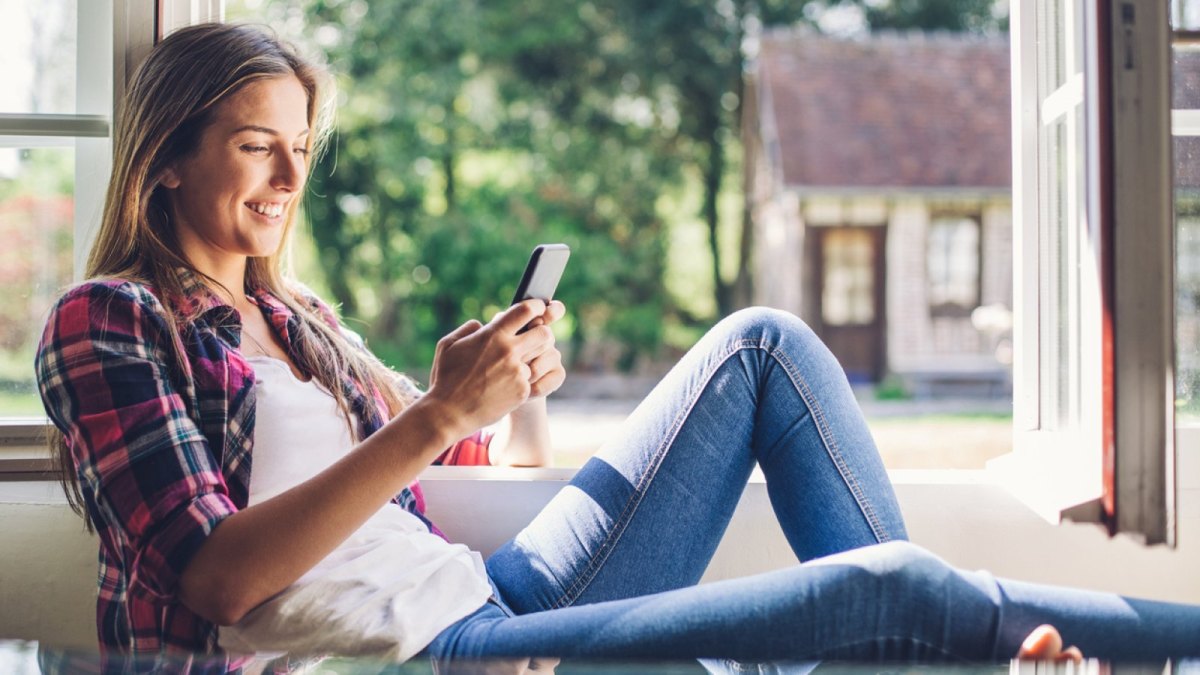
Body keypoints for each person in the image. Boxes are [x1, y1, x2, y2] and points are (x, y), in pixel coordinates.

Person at [34, 21, 1200, 673]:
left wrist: (510, 390)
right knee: (881, 591)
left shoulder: (302, 325)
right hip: (432, 655)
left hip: (490, 599)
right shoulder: (111, 322)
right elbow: (218, 576)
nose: (292, 179)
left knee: (762, 345)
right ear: (170, 155)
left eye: (300, 147)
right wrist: (436, 417)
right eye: (257, 147)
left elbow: (455, 467)